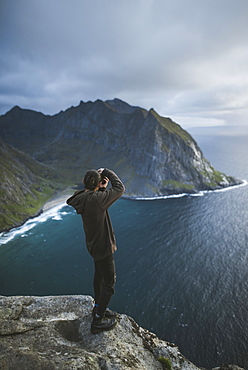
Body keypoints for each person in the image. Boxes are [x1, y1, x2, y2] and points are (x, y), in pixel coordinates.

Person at [66, 168, 125, 334]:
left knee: (99, 277)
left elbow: (98, 204)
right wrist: (107, 171)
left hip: (93, 245)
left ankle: (98, 307)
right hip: (103, 248)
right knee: (109, 283)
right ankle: (97, 320)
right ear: (98, 183)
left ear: (84, 182)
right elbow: (120, 188)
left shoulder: (81, 197)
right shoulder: (97, 200)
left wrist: (101, 188)